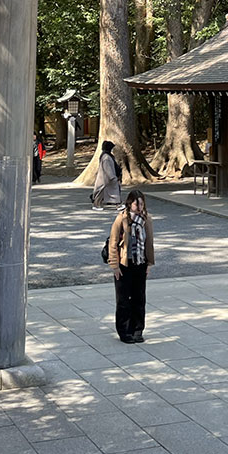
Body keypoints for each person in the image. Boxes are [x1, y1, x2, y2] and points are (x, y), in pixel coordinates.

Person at [108, 190, 154, 344]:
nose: (139, 207)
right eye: (136, 203)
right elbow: (113, 243)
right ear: (130, 203)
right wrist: (115, 265)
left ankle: (137, 330)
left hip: (140, 263)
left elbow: (149, 243)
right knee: (123, 299)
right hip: (124, 264)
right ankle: (124, 330)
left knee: (139, 298)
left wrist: (149, 263)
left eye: (142, 203)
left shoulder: (146, 219)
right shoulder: (121, 219)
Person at [92, 141, 121, 209]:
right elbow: (108, 169)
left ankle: (117, 204)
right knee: (109, 192)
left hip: (105, 179)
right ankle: (117, 204)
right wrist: (113, 177)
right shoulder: (106, 157)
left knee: (102, 192)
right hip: (106, 179)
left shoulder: (106, 156)